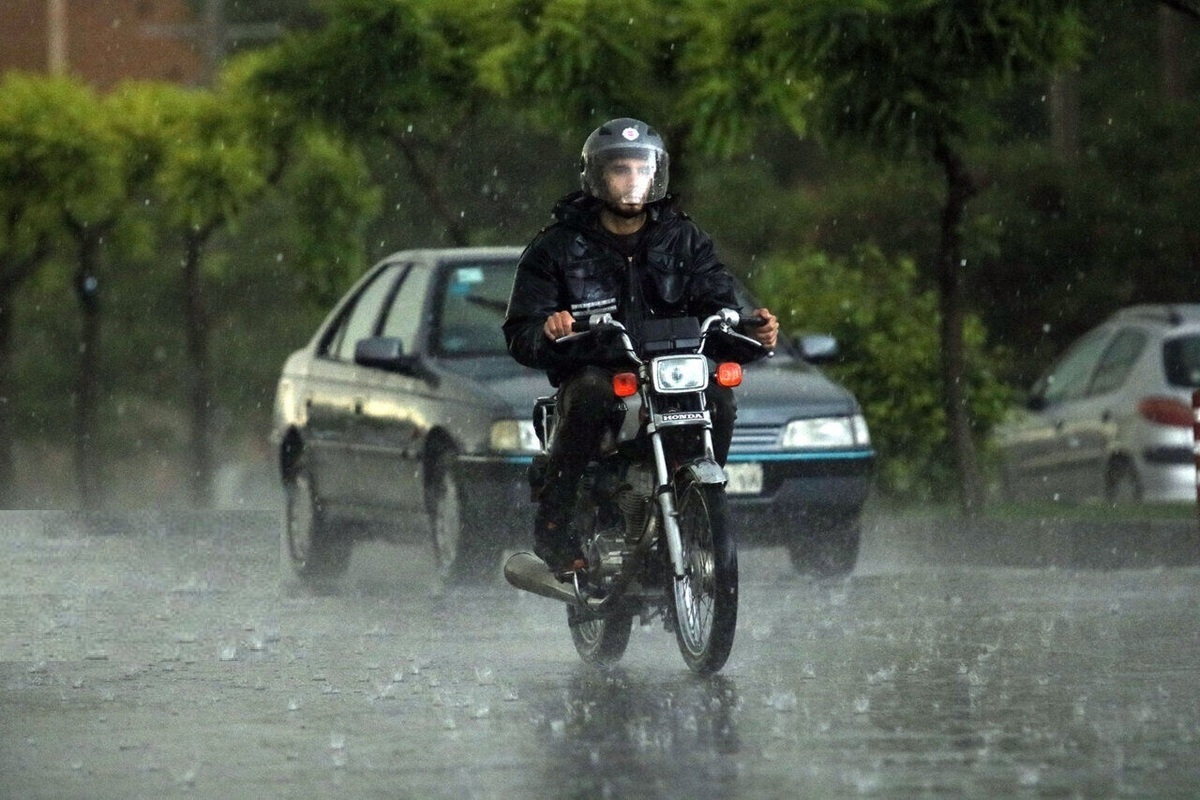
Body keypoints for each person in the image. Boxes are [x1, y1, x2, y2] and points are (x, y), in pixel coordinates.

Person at [503, 117, 779, 579]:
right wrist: (550, 329)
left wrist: (752, 333)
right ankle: (555, 524)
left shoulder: (684, 238)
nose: (632, 180)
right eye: (620, 170)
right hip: (601, 370)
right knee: (590, 393)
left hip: (672, 369)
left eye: (641, 169)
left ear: (656, 175)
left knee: (720, 400)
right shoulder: (557, 246)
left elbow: (718, 306)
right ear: (597, 177)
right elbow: (521, 333)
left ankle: (697, 509)